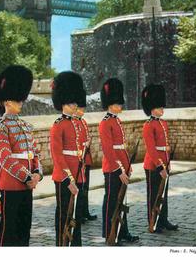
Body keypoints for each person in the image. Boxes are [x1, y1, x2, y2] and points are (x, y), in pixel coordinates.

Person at [0, 65, 43, 246]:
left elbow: (34, 154)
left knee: (24, 232)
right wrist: (28, 177)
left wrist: (37, 174)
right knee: (9, 233)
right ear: (6, 101)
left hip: (28, 186)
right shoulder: (0, 127)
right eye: (17, 99)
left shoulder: (26, 127)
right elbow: (5, 159)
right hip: (11, 185)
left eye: (21, 99)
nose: (21, 102)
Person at [99, 78, 139, 244]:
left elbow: (120, 147)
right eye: (117, 102)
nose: (120, 105)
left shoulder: (117, 120)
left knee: (121, 201)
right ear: (110, 104)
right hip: (112, 168)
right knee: (111, 202)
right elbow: (109, 150)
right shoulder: (105, 123)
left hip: (122, 166)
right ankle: (110, 233)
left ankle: (122, 232)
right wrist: (119, 169)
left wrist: (127, 166)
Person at [50, 71, 86, 246]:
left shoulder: (77, 123)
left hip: (78, 174)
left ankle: (76, 245)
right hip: (65, 177)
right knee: (64, 214)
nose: (74, 105)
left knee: (77, 216)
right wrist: (69, 179)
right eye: (71, 103)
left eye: (75, 102)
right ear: (63, 103)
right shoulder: (58, 125)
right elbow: (57, 155)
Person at [142, 84, 178, 233]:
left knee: (163, 194)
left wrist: (167, 163)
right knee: (154, 196)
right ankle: (153, 221)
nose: (162, 109)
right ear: (152, 108)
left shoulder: (163, 123)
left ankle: (163, 220)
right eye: (159, 107)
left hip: (164, 163)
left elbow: (165, 146)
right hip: (153, 165)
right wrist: (159, 166)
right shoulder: (148, 125)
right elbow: (151, 149)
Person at [73, 89, 97, 223]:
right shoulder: (74, 122)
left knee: (86, 187)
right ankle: (79, 213)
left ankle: (85, 211)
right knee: (80, 188)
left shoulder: (83, 122)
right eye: (80, 108)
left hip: (86, 159)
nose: (83, 111)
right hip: (79, 160)